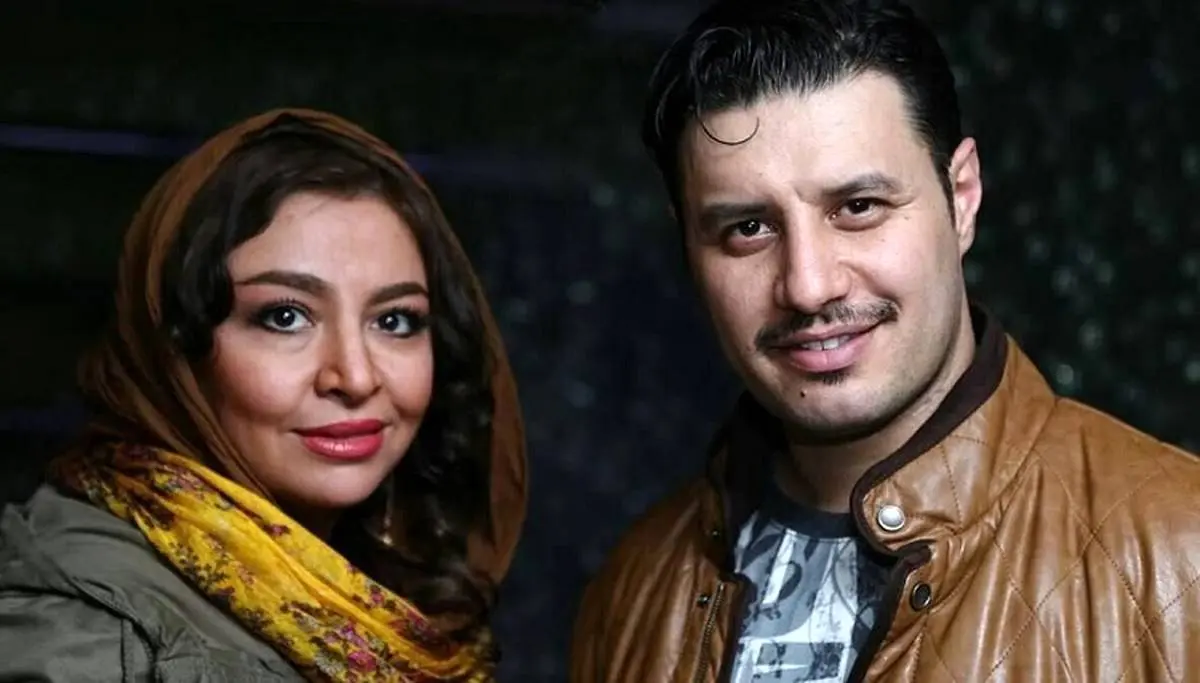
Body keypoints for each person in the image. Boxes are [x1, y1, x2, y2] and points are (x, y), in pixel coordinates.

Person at [570, 1, 1200, 681]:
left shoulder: (1179, 550)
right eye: (748, 228)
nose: (808, 285)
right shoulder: (632, 589)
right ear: (689, 247)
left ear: (962, 197)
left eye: (858, 207)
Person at [0, 109, 527, 682]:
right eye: (285, 317)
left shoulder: (395, 590)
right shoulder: (82, 634)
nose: (355, 377)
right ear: (174, 349)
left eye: (394, 320)